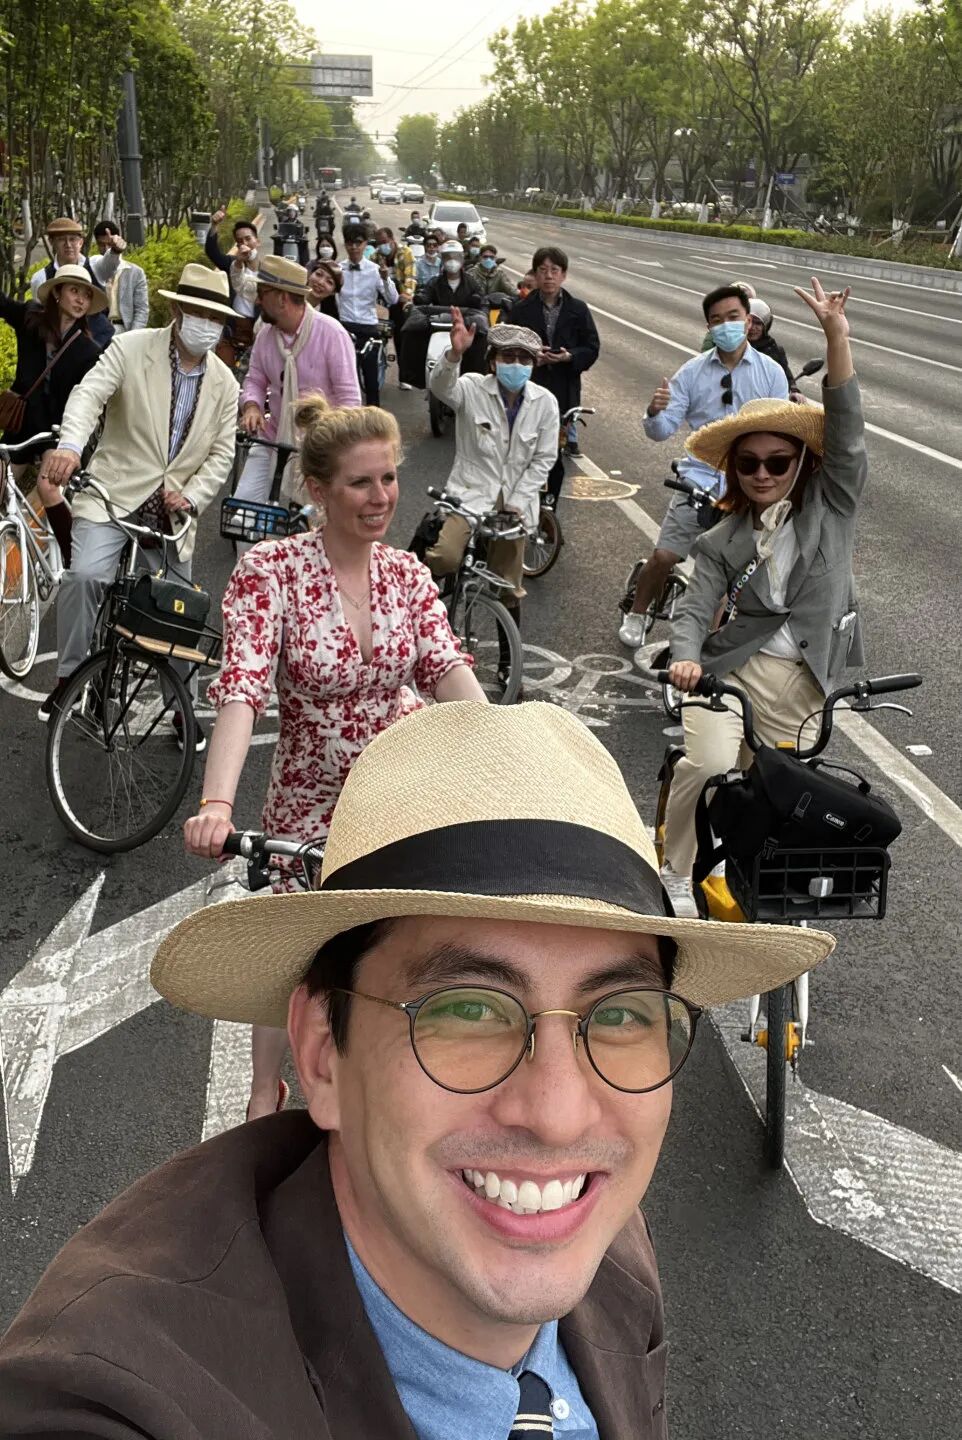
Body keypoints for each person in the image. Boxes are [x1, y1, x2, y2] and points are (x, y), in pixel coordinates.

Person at [0, 696, 835, 1436]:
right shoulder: (119, 1388)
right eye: (466, 1011)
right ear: (322, 1054)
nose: (558, 1117)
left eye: (619, 1015)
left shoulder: (608, 1241)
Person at [186, 396, 485, 1121]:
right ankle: (264, 1091)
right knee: (292, 952)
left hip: (399, 793)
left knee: (408, 950)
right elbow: (243, 690)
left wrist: (504, 752)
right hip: (307, 798)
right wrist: (217, 805)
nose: (381, 498)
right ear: (318, 490)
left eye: (389, 478)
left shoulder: (408, 575)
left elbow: (448, 673)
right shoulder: (271, 572)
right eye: (360, 483)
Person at [660, 278, 862, 914]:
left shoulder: (832, 506)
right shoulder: (723, 538)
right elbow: (696, 607)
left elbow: (848, 432)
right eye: (748, 464)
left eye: (778, 461)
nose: (763, 474)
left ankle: (757, 885)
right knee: (709, 764)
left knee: (784, 800)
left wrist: (836, 336)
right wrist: (685, 657)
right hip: (732, 674)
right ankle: (676, 868)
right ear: (734, 471)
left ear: (802, 461)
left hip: (805, 684)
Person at [36, 264, 239, 729]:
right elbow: (88, 395)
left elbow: (222, 453)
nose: (207, 324)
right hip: (113, 492)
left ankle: (180, 708)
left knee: (178, 607)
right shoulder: (130, 347)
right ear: (178, 311)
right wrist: (70, 446)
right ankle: (70, 677)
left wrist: (192, 495)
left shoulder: (225, 383)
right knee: (85, 576)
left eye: (215, 317)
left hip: (172, 511)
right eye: (199, 313)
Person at [617, 284, 790, 650]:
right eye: (717, 320)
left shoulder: (771, 372)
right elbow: (661, 430)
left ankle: (708, 644)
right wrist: (654, 411)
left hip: (744, 487)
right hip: (697, 482)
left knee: (729, 575)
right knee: (664, 555)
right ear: (709, 328)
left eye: (733, 317)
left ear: (748, 321)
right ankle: (638, 611)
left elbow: (778, 431)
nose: (726, 325)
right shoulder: (692, 372)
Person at [426, 317, 558, 677]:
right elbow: (440, 387)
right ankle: (426, 622)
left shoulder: (545, 403)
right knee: (444, 557)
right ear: (492, 361)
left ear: (533, 364)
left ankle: (507, 664)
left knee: (508, 587)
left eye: (524, 359)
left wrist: (517, 503)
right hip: (469, 495)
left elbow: (544, 459)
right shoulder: (471, 387)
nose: (516, 365)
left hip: (515, 506)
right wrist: (454, 354)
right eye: (508, 357)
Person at [236, 256, 360, 548]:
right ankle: (252, 574)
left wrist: (334, 450)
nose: (257, 300)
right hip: (272, 437)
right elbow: (255, 379)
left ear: (282, 299)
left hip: (319, 446)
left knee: (314, 532)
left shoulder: (332, 334)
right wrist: (252, 405)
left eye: (262, 293)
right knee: (242, 519)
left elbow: (349, 401)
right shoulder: (266, 336)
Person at [0, 265, 104, 567]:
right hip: (22, 424)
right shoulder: (30, 319)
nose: (81, 300)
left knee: (49, 487)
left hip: (56, 432)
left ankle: (75, 563)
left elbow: (92, 399)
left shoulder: (88, 350)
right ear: (57, 293)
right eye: (74, 291)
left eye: (86, 295)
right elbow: (3, 304)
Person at [510, 246, 600, 503]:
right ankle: (521, 504)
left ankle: (549, 507)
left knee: (553, 455)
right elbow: (507, 347)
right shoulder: (521, 309)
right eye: (543, 270)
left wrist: (568, 357)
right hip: (528, 388)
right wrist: (530, 357)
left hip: (563, 390)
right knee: (524, 451)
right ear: (535, 275)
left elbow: (592, 347)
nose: (549, 276)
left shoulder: (578, 309)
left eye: (554, 270)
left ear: (564, 275)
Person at [398, 241, 487, 389]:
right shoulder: (434, 282)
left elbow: (483, 303)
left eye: (455, 256)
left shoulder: (472, 283)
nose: (452, 261)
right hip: (436, 325)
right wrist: (418, 299)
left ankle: (476, 379)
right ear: (442, 259)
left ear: (462, 259)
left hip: (464, 326)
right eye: (447, 257)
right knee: (410, 330)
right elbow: (424, 297)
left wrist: (478, 305)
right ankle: (414, 376)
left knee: (482, 335)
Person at [30, 215, 121, 348]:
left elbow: (110, 265)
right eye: (61, 239)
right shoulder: (41, 278)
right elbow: (42, 316)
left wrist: (115, 250)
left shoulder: (95, 266)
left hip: (101, 341)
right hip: (65, 347)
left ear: (81, 242)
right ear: (51, 242)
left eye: (72, 239)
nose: (68, 245)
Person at [338, 225, 398, 407]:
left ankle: (373, 417)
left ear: (365, 244)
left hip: (368, 327)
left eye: (358, 242)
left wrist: (386, 279)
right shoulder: (338, 269)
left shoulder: (375, 270)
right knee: (345, 380)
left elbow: (393, 299)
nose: (354, 247)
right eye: (350, 243)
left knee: (371, 380)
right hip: (345, 327)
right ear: (345, 244)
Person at [205, 209, 260, 367]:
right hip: (232, 328)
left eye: (248, 239)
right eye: (240, 241)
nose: (245, 244)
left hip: (256, 329)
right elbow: (212, 252)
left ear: (257, 241)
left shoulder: (268, 270)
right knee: (223, 369)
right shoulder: (232, 265)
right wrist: (214, 225)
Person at [374, 227, 417, 388]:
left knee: (402, 338)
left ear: (392, 239)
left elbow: (411, 277)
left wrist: (407, 295)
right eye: (379, 243)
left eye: (385, 242)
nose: (382, 246)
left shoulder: (405, 253)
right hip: (382, 302)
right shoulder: (375, 257)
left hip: (401, 300)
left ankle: (404, 376)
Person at [92, 221, 148, 334]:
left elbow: (141, 310)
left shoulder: (135, 273)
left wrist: (133, 335)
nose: (106, 249)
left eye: (110, 244)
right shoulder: (92, 268)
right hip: (98, 330)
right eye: (102, 245)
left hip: (125, 329)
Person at [747, 299, 796, 395]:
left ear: (766, 326)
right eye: (749, 322)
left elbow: (786, 375)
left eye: (758, 323)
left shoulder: (774, 350)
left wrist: (794, 390)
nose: (752, 327)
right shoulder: (734, 348)